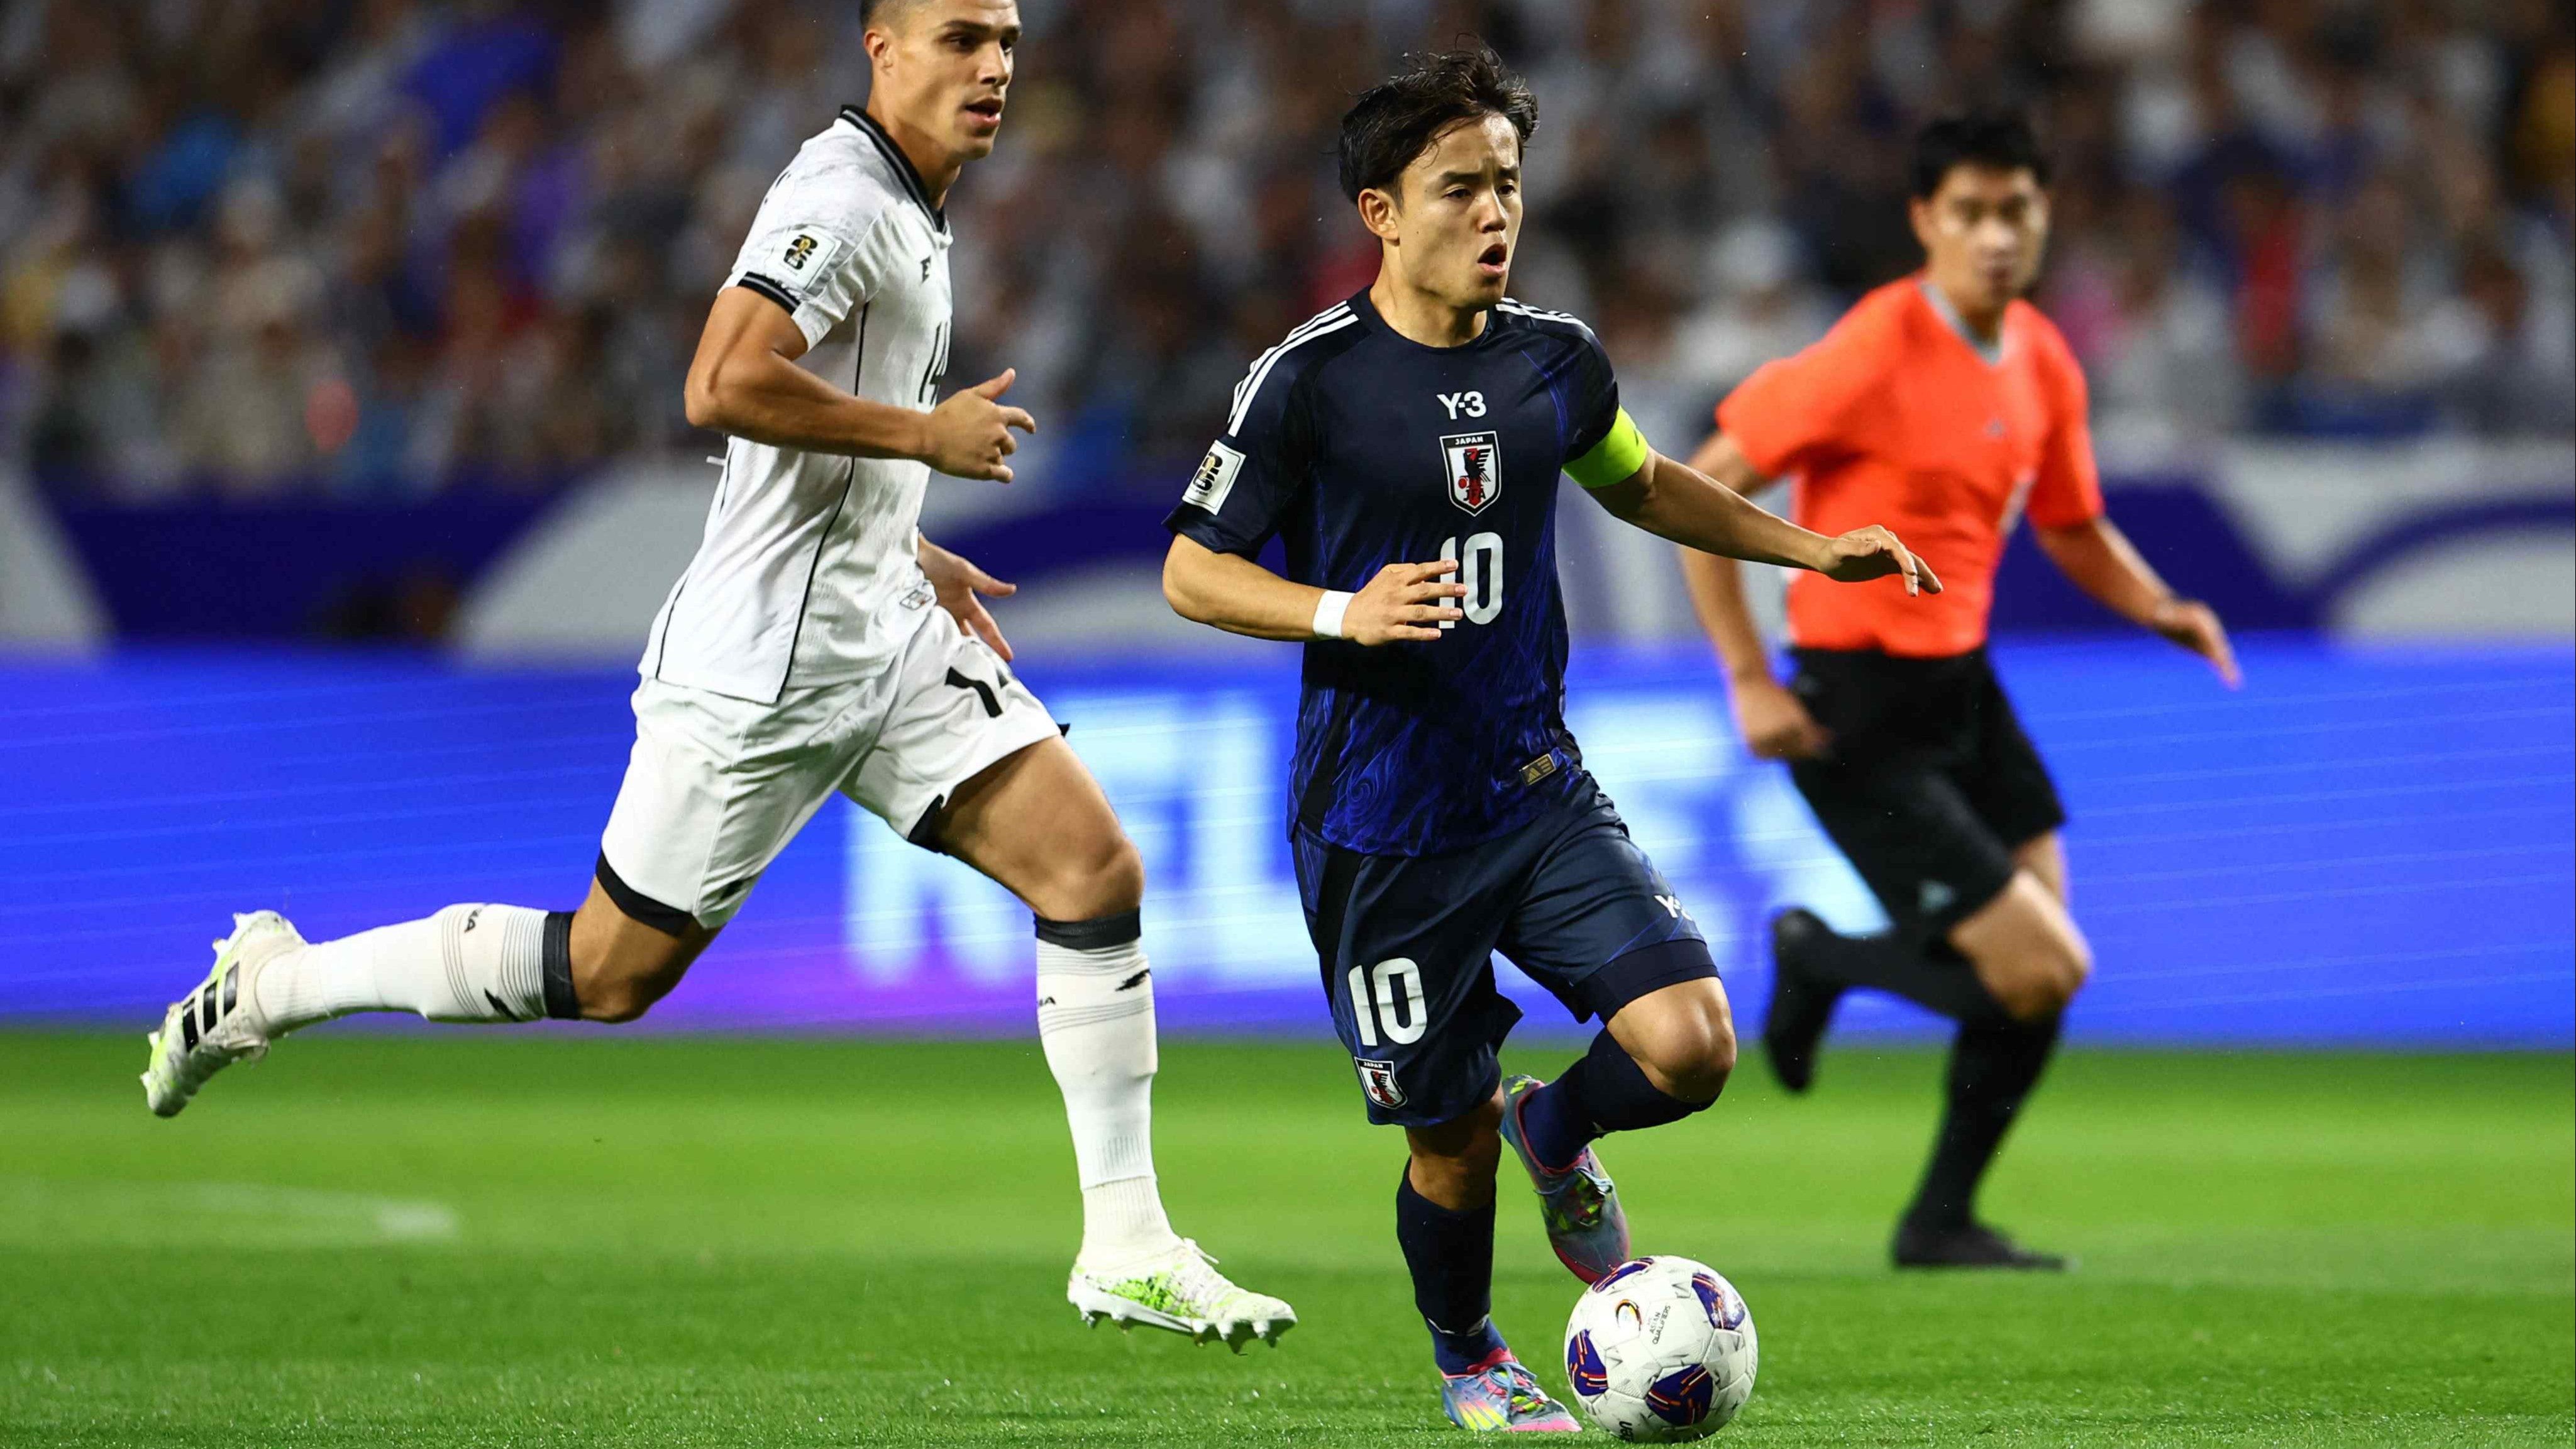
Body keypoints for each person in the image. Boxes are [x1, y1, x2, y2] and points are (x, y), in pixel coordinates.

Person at [140, 0, 1294, 1350]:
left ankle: (1128, 1242)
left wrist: (904, 545)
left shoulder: (917, 205)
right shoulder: (843, 194)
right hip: (763, 676)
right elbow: (722, 381)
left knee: (1094, 873)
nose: (991, 68)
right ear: (883, 48)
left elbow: (806, 452)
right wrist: (925, 436)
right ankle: (277, 984)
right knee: (611, 972)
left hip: (878, 630)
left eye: (1008, 43)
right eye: (959, 39)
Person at [1161, 48, 1938, 1432]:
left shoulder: (1555, 359)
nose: (1494, 212)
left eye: (1508, 183)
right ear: (1382, 212)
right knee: (1442, 1151)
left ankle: (1560, 1126)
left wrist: (1813, 550)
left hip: (1535, 793)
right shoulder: (1308, 382)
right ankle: (1469, 1347)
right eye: (1459, 187)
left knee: (1694, 1043)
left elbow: (1644, 485)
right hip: (1380, 829)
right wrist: (1340, 610)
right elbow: (1192, 572)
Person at [1676, 110, 2240, 1272]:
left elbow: (2073, 525)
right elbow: (1698, 493)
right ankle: (1819, 958)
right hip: (1855, 702)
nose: (1995, 235)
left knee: (2037, 975)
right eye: (1970, 213)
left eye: (2016, 211)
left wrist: (2157, 605)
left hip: (1962, 689)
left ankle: (1939, 1220)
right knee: (2044, 965)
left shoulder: (2039, 357)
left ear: (2042, 218)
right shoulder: (1871, 347)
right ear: (1926, 221)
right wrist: (1745, 675)